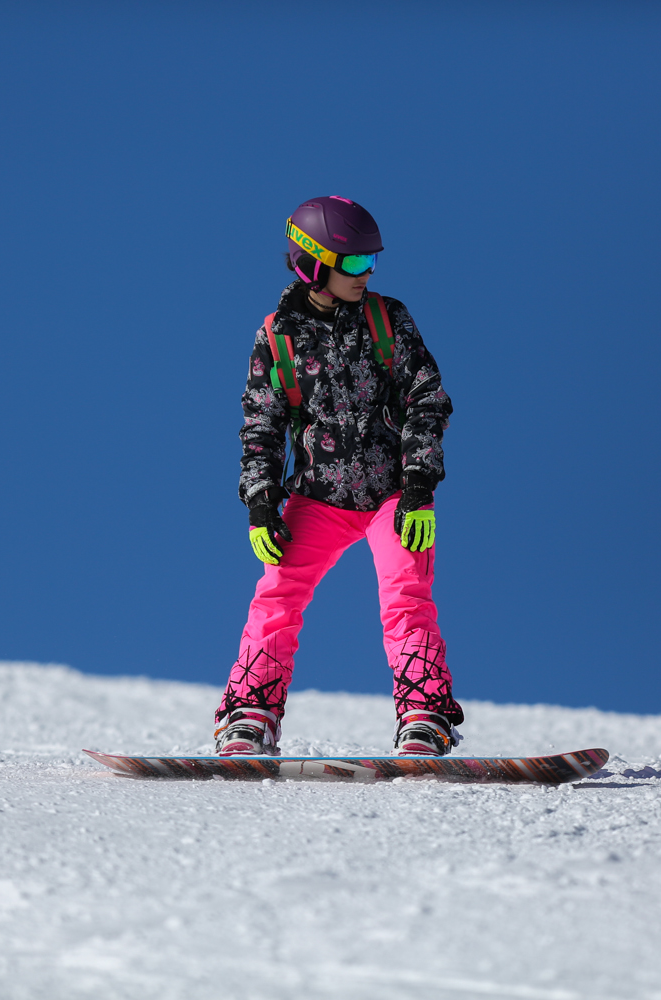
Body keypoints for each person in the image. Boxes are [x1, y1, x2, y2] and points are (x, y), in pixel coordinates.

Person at [215, 196, 462, 757]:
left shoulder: (386, 317)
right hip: (317, 496)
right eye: (352, 263)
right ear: (311, 262)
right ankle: (250, 715)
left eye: (370, 261)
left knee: (406, 594)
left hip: (389, 494)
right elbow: (262, 424)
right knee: (276, 594)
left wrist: (419, 487)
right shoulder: (278, 336)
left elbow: (427, 399)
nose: (365, 274)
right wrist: (260, 503)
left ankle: (424, 716)